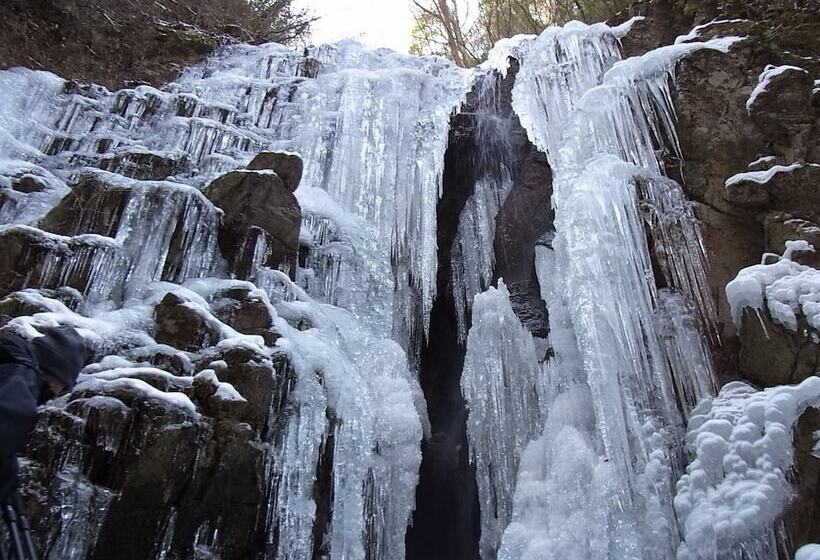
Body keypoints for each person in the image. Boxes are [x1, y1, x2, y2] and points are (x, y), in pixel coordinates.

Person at [0, 326, 86, 505]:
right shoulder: (23, 376)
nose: (57, 393)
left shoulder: (9, 360)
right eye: (63, 386)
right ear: (56, 376)